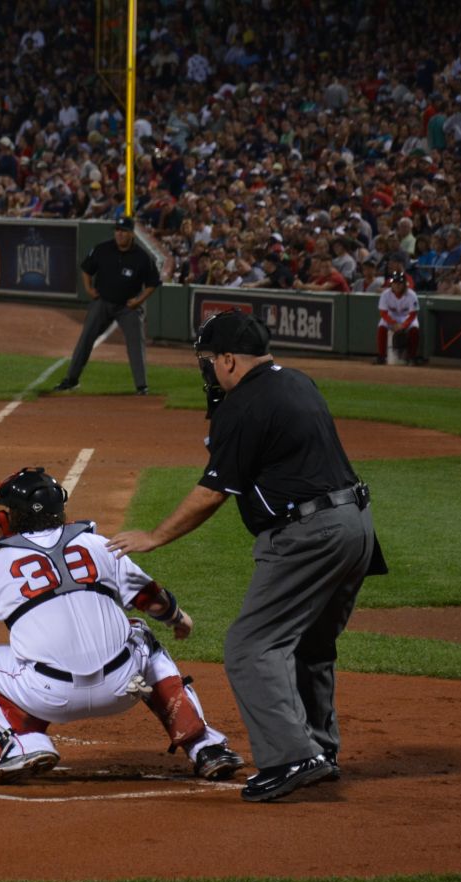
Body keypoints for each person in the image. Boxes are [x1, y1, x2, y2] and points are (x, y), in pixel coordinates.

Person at [109, 312, 386, 803]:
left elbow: (213, 492)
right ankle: (318, 750)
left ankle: (291, 757)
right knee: (310, 645)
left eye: (212, 361)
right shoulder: (298, 382)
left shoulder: (245, 405)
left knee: (249, 647)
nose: (210, 370)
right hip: (356, 527)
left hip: (310, 534)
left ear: (230, 359)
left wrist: (154, 536)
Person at [0, 467, 246, 786]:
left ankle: (23, 744)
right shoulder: (97, 545)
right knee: (141, 634)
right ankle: (204, 746)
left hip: (46, 696)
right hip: (122, 687)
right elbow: (152, 600)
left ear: (11, 516)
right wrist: (178, 619)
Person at [53, 214, 160, 395]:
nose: (119, 234)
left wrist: (139, 300)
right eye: (117, 230)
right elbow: (86, 269)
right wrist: (89, 289)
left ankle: (141, 386)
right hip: (103, 302)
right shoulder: (103, 249)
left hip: (128, 307)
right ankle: (71, 380)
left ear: (131, 234)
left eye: (123, 231)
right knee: (86, 339)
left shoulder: (142, 257)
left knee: (135, 344)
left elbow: (153, 283)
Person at [376, 271, 421, 364]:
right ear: (391, 284)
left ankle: (412, 357)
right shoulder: (385, 294)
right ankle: (381, 356)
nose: (397, 285)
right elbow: (383, 313)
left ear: (404, 284)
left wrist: (404, 325)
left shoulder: (412, 295)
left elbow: (413, 314)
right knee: (381, 327)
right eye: (395, 283)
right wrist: (393, 323)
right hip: (391, 316)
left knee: (414, 329)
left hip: (407, 316)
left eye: (400, 283)